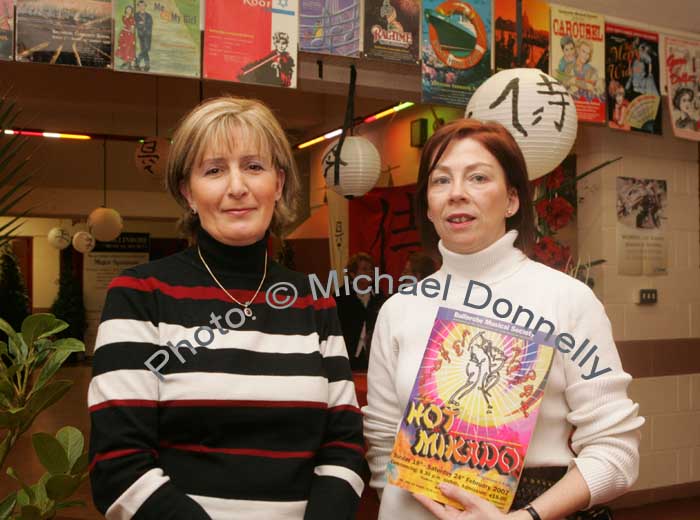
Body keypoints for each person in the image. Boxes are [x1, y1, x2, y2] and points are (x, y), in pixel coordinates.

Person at [88, 97, 365, 519]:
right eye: (214, 170)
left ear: (279, 181)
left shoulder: (312, 299)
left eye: (254, 166)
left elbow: (344, 445)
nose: (237, 187)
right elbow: (117, 465)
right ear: (188, 192)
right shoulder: (140, 295)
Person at [363, 119, 643, 520]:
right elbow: (381, 441)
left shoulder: (566, 300)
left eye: (478, 178)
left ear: (512, 200)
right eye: (441, 181)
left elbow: (616, 452)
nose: (457, 194)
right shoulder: (399, 309)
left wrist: (526, 518)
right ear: (427, 203)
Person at [335, 252, 386, 371]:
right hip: (348, 356)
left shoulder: (379, 295)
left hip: (375, 356)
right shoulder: (340, 297)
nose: (370, 272)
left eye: (371, 269)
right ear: (353, 274)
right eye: (364, 269)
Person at [115, 5, 136, 70]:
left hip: (129, 35)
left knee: (129, 48)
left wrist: (129, 32)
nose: (128, 11)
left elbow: (132, 28)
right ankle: (125, 62)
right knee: (123, 47)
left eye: (130, 9)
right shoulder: (123, 16)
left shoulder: (132, 18)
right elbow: (125, 24)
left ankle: (130, 64)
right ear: (125, 10)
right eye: (127, 9)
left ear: (131, 11)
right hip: (123, 34)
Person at [134, 0, 153, 72]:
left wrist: (143, 25)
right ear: (138, 6)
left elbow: (150, 24)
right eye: (140, 5)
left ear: (145, 6)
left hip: (148, 35)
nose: (142, 7)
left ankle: (138, 61)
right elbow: (134, 24)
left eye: (143, 5)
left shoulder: (149, 16)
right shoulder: (135, 15)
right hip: (141, 35)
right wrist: (139, 24)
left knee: (146, 48)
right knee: (144, 49)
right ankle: (147, 64)